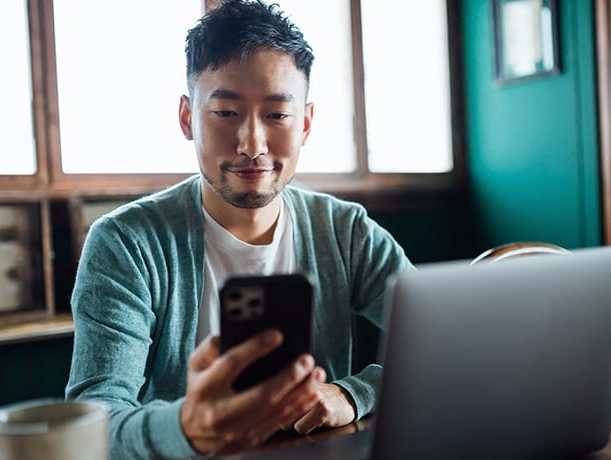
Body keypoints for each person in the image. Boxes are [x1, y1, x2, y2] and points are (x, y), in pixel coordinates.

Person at [65, 1, 413, 458]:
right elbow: (94, 423)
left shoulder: (345, 231)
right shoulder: (125, 244)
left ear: (305, 123)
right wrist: (187, 428)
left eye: (277, 115)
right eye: (226, 113)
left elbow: (444, 350)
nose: (252, 144)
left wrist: (353, 394)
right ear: (188, 118)